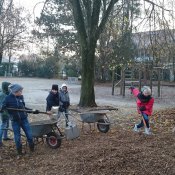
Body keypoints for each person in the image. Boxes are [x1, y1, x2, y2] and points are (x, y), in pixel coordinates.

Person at [0, 84, 39, 155]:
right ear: (15, 91)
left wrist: (33, 110)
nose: (22, 92)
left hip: (24, 119)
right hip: (15, 121)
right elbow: (3, 107)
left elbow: (24, 108)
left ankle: (32, 148)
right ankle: (19, 152)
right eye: (20, 91)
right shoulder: (7, 98)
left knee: (30, 135)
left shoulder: (21, 97)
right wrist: (2, 108)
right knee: (17, 138)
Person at [0, 82, 12, 147]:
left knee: (6, 125)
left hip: (7, 112)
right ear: (5, 87)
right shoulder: (2, 95)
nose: (9, 87)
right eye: (8, 86)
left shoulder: (6, 92)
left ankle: (5, 137)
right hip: (4, 112)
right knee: (3, 126)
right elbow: (2, 106)